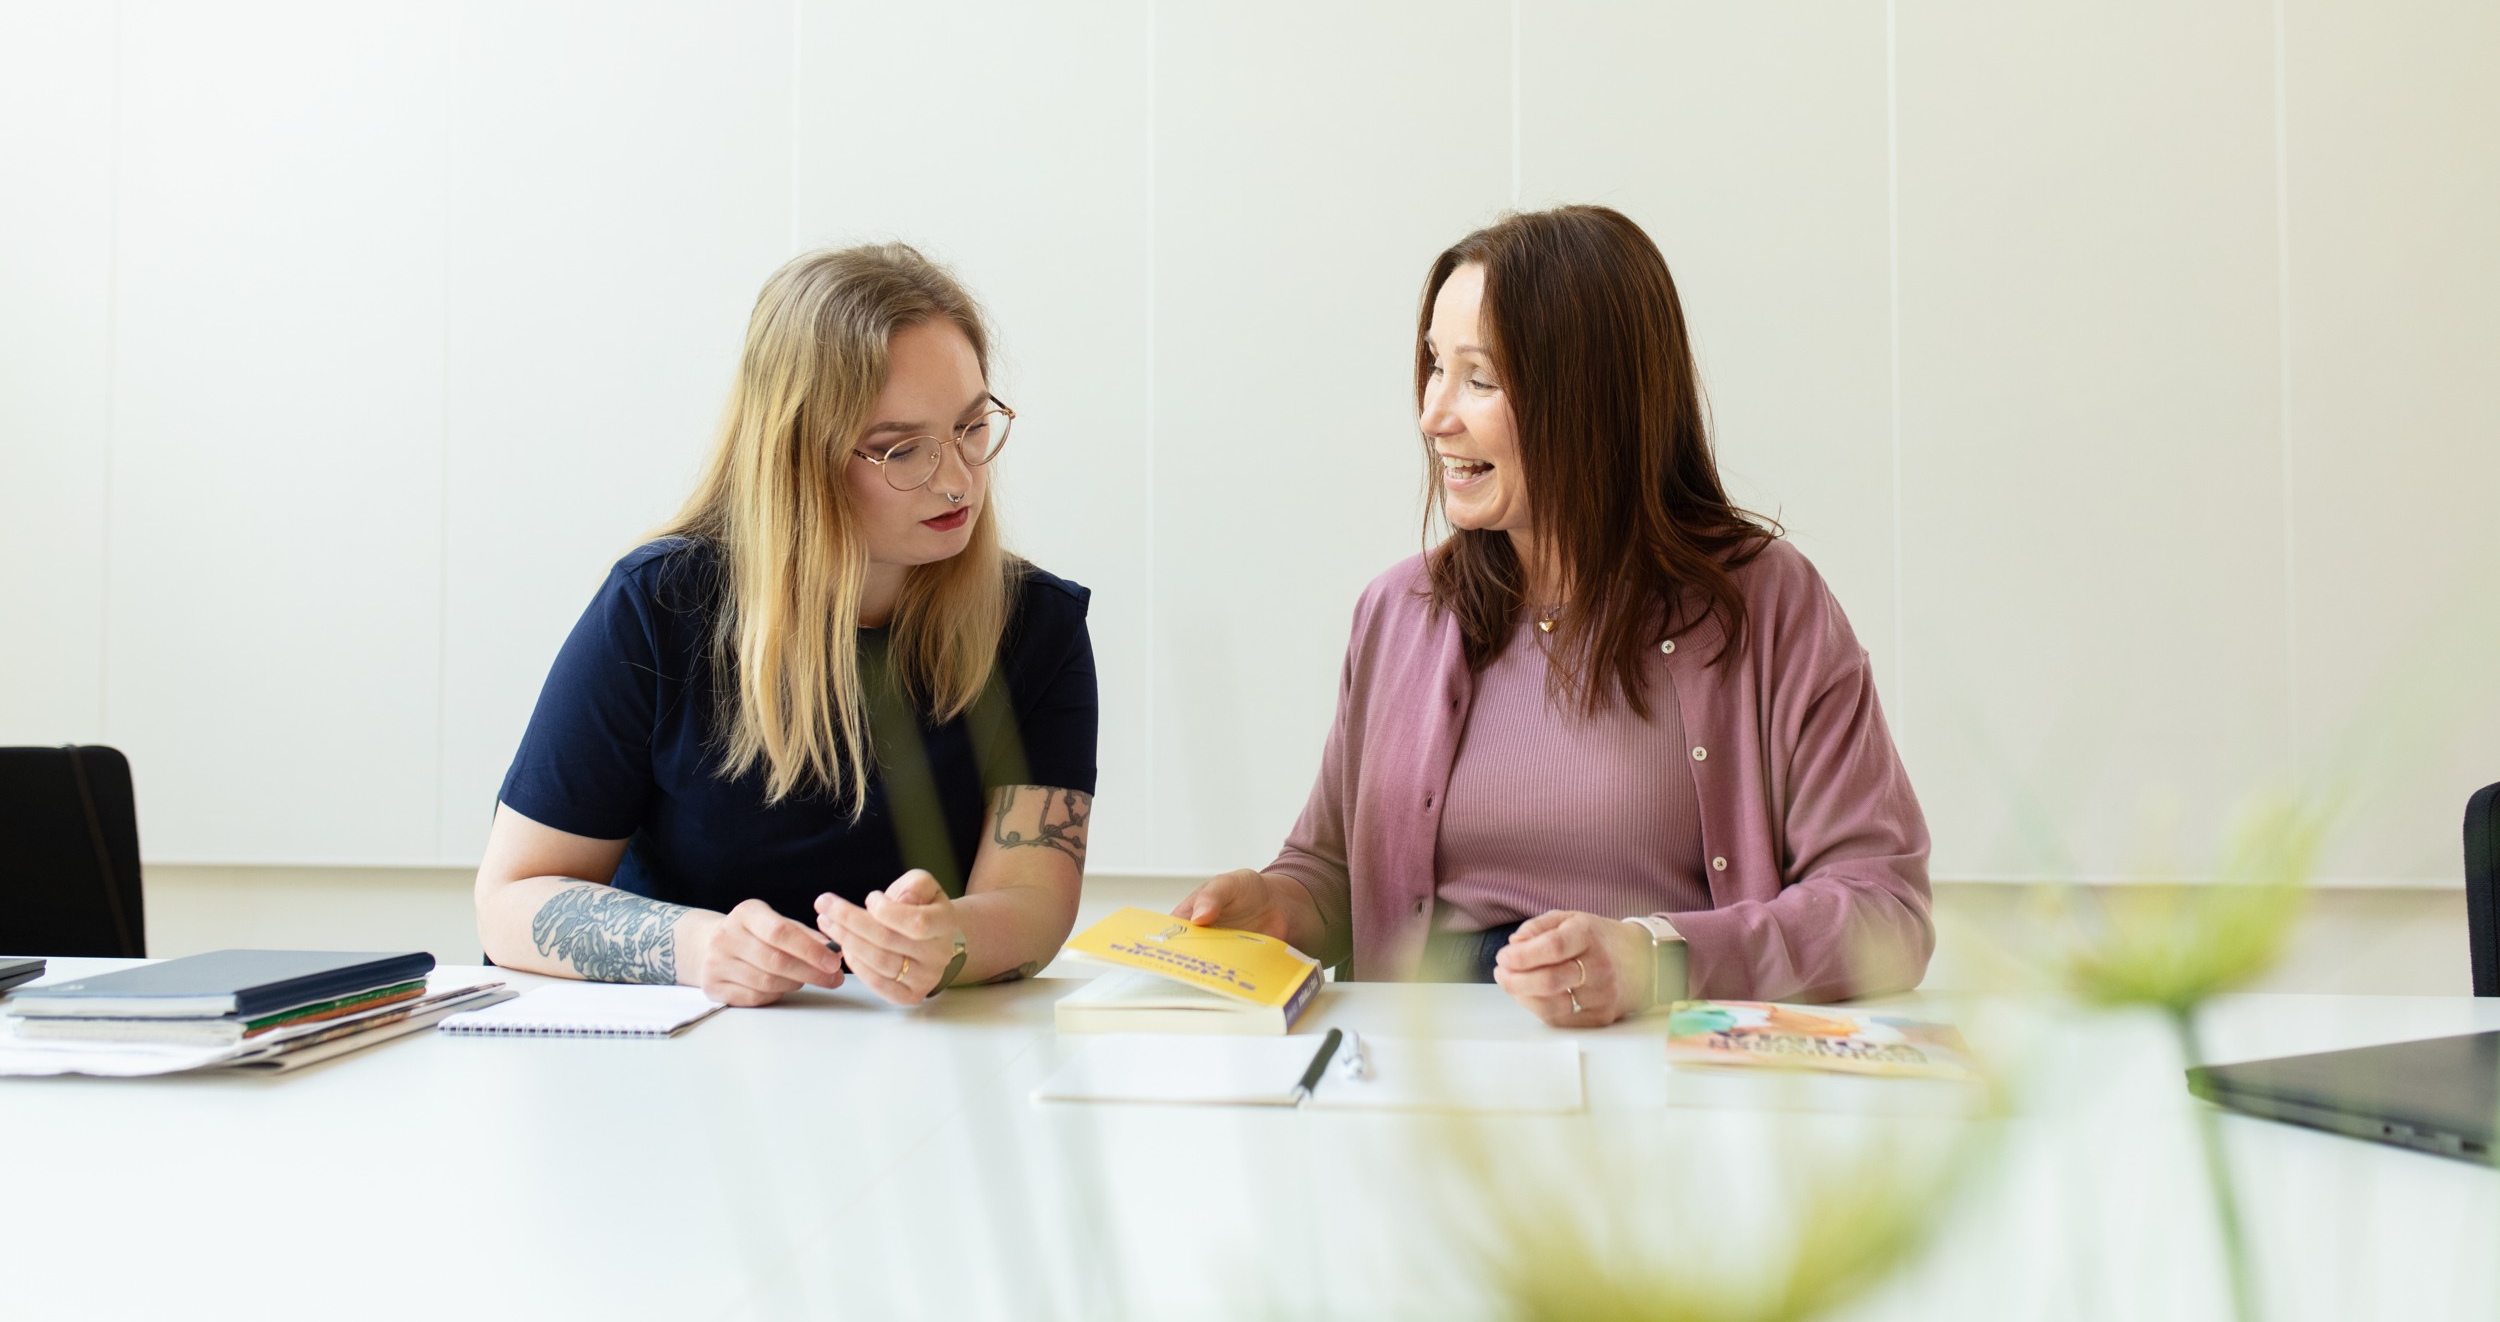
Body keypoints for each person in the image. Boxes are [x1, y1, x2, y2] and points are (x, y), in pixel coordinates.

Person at [1173, 206, 1931, 1024]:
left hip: (1665, 1070)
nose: (1434, 414)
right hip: (1432, 1084)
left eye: (1479, 378)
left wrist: (1656, 960)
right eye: (1434, 366)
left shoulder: (1770, 605)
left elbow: (1882, 907)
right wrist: (1276, 906)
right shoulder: (1397, 612)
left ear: (1592, 398)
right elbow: (1330, 872)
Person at [476, 245, 1097, 1007]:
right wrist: (702, 947)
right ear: (797, 453)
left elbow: (1034, 901)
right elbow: (512, 899)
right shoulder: (659, 606)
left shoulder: (1036, 624)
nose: (957, 477)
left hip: (924, 1060)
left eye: (972, 427)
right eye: (903, 448)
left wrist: (948, 940)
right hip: (677, 1064)